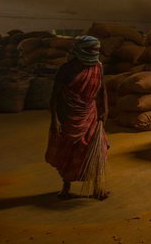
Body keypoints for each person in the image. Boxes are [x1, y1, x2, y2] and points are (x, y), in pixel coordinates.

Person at [45, 35, 109, 200]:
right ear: (80, 50)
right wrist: (55, 120)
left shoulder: (97, 66)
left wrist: (104, 109)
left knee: (96, 149)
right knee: (69, 152)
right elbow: (54, 97)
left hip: (91, 114)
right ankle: (66, 187)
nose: (95, 53)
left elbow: (102, 90)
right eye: (91, 50)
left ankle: (97, 187)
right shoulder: (66, 69)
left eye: (97, 50)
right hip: (69, 116)